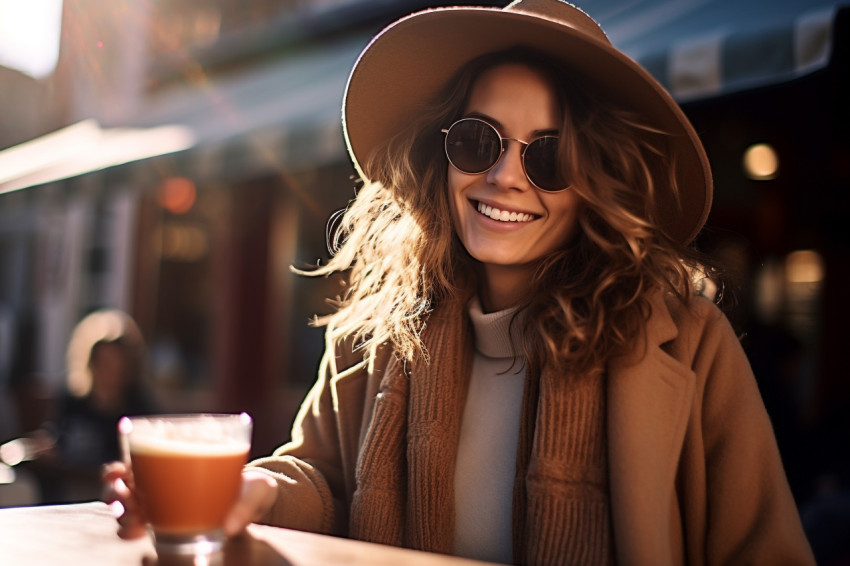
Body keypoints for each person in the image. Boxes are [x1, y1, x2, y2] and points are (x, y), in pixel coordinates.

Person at [104, 1, 816, 563]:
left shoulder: (689, 340)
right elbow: (320, 480)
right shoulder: (376, 328)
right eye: (478, 140)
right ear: (440, 155)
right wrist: (251, 489)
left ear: (594, 182)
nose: (505, 175)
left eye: (550, 157)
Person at [32, 309, 156, 502]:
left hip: (114, 500)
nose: (111, 372)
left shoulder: (140, 410)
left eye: (118, 364)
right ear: (91, 364)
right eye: (105, 363)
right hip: (67, 496)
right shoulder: (73, 402)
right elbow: (57, 437)